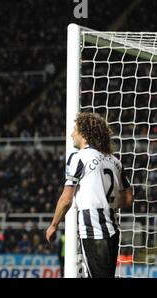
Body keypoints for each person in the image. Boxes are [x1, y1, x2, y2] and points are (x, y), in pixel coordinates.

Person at [46, 112, 134, 278]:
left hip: (93, 229)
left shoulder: (78, 157)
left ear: (84, 133)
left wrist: (54, 224)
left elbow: (66, 199)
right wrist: (107, 200)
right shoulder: (114, 160)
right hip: (113, 229)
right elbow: (129, 198)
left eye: (75, 129)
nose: (72, 134)